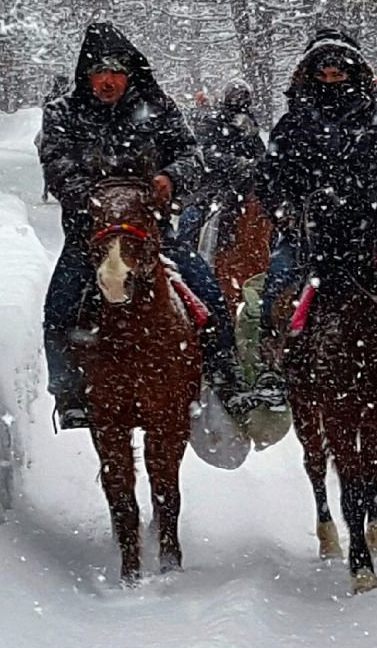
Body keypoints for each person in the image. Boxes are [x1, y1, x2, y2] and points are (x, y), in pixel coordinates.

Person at [39, 22, 255, 429]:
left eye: (116, 71)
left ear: (130, 73)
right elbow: (56, 165)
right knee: (60, 305)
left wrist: (169, 179)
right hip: (91, 235)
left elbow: (191, 155)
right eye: (99, 72)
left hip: (152, 233)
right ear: (86, 74)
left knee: (205, 287)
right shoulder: (63, 113)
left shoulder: (158, 107)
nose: (107, 80)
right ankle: (68, 391)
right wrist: (95, 198)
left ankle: (225, 373)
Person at [253, 29, 377, 405]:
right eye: (323, 75)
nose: (330, 82)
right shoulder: (292, 124)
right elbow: (269, 180)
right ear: (310, 75)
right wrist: (289, 211)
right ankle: (273, 364)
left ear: (352, 73)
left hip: (370, 230)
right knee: (279, 279)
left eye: (337, 75)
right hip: (308, 234)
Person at [179, 78, 266, 250]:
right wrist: (236, 163)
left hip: (245, 186)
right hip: (213, 187)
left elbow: (262, 155)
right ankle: (184, 257)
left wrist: (255, 164)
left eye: (243, 96)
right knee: (190, 221)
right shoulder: (212, 121)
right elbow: (206, 153)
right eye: (235, 95)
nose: (239, 99)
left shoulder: (250, 125)